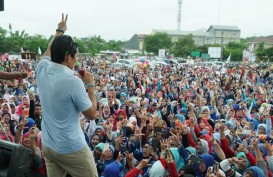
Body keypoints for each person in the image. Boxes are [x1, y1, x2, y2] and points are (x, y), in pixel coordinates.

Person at [36, 14, 98, 177]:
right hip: (71, 148)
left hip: (49, 146)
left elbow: (50, 49)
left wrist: (60, 30)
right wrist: (90, 85)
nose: (76, 60)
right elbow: (91, 115)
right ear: (67, 57)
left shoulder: (41, 67)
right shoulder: (73, 81)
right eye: (76, 56)